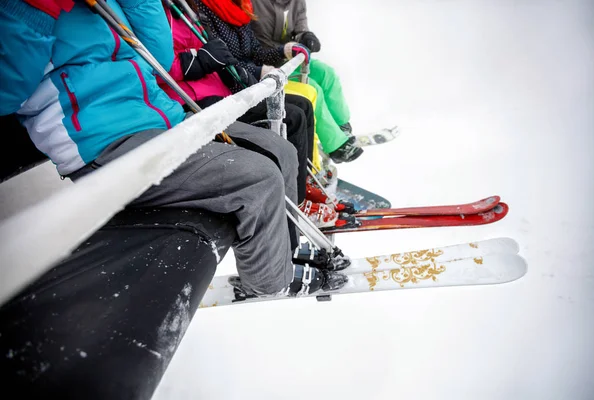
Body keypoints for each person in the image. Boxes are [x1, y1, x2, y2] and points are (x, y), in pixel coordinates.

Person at [0, 0, 348, 374]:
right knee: (259, 179)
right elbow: (7, 90)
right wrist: (37, 10)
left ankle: (281, 249)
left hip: (164, 118)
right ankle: (270, 281)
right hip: (105, 142)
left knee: (280, 149)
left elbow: (159, 55)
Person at [159, 1, 315, 208]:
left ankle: (303, 181)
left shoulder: (241, 10)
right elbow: (219, 57)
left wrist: (282, 51)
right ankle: (297, 200)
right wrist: (255, 73)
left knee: (303, 105)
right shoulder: (203, 9)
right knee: (293, 115)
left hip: (227, 84)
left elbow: (251, 52)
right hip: (214, 91)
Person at [193, 0, 363, 164]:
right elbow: (236, 57)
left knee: (327, 74)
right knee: (311, 91)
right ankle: (333, 145)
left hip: (280, 58)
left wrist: (303, 37)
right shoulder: (235, 9)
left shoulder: (241, 10)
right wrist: (262, 68)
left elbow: (299, 27)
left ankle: (341, 127)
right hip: (258, 69)